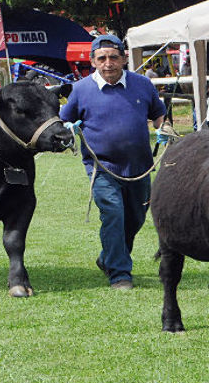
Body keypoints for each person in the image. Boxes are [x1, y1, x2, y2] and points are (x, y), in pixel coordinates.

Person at [60, 34, 167, 290]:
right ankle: (119, 273)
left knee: (136, 218)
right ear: (93, 61)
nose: (108, 63)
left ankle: (108, 257)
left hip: (140, 168)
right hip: (101, 168)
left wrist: (165, 129)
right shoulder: (81, 89)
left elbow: (158, 115)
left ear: (124, 58)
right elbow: (63, 120)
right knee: (113, 214)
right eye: (102, 58)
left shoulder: (142, 84)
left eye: (113, 57)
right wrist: (68, 128)